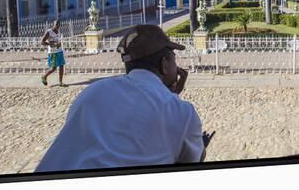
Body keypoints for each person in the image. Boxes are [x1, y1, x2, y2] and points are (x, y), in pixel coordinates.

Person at [35, 25, 213, 172]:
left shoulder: (91, 93)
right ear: (164, 65)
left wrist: (170, 95)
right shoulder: (182, 113)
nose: (177, 66)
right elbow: (191, 164)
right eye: (174, 59)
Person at [40, 20, 67, 87]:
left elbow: (57, 41)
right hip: (52, 52)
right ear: (53, 24)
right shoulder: (49, 32)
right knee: (53, 68)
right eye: (56, 25)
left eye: (58, 25)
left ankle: (60, 82)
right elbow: (42, 42)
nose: (57, 26)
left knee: (61, 66)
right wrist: (50, 44)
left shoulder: (58, 32)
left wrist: (59, 44)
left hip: (59, 51)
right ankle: (44, 76)